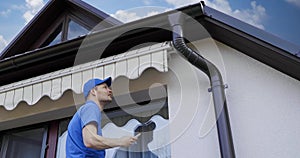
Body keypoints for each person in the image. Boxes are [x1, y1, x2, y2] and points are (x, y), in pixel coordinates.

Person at [66, 77, 140, 158]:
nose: (110, 90)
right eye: (105, 87)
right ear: (93, 91)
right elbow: (90, 140)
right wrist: (121, 141)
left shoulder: (87, 110)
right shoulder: (90, 107)